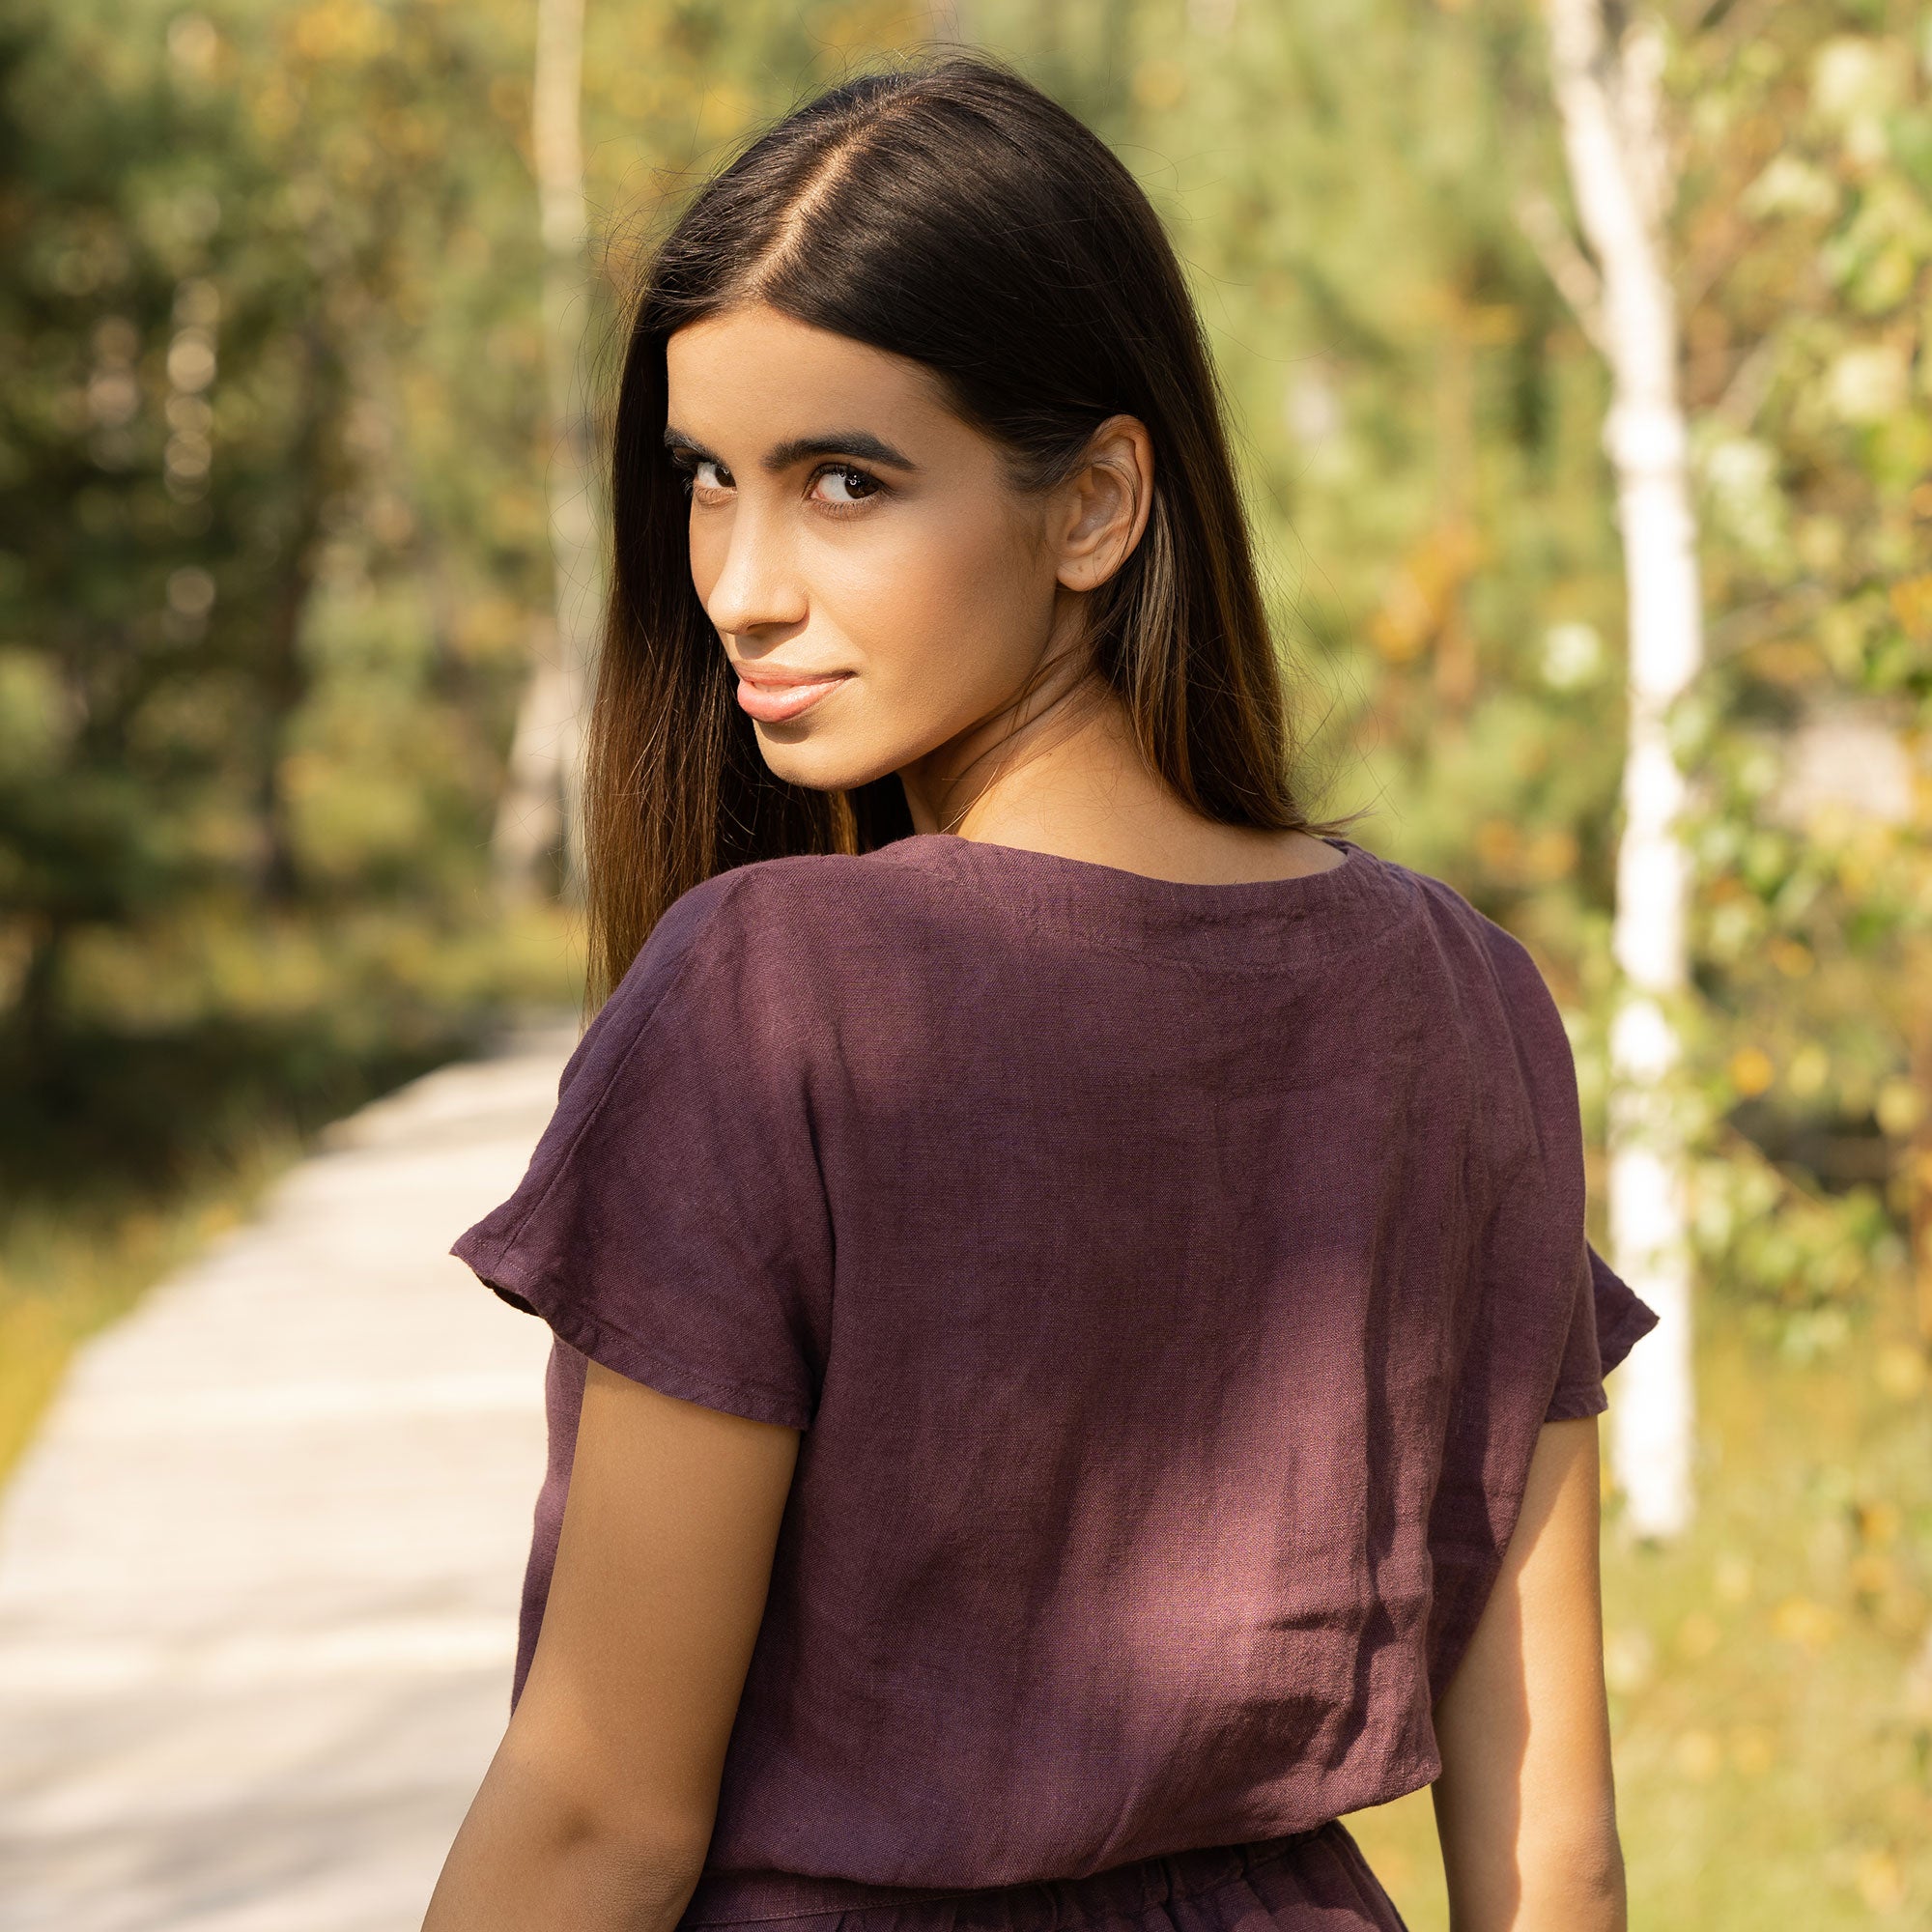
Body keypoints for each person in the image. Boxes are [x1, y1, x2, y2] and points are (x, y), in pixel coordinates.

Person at [424, 55, 1657, 1932]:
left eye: (845, 483)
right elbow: (1552, 1850)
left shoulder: (775, 996)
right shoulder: (1468, 1005)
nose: (739, 586)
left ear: (1094, 505)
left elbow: (603, 1816)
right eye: (705, 481)